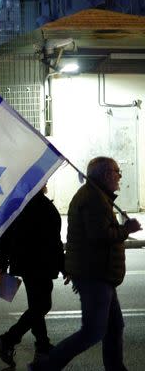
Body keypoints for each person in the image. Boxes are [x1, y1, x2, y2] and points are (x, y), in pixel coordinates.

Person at [31, 157, 142, 371]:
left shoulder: (97, 196)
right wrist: (127, 230)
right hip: (95, 274)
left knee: (114, 327)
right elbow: (99, 236)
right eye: (117, 172)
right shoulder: (93, 199)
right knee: (92, 332)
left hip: (100, 273)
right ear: (106, 174)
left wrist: (121, 227)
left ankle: (115, 368)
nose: (120, 176)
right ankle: (44, 366)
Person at [0, 186, 64, 367]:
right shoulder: (42, 205)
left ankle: (42, 347)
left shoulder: (18, 204)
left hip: (26, 263)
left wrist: (2, 260)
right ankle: (8, 339)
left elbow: (4, 234)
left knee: (37, 307)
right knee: (41, 306)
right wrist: (64, 266)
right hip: (39, 264)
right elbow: (53, 241)